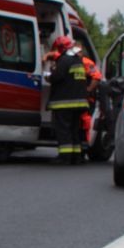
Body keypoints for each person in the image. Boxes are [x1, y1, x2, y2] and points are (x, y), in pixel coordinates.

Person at [46, 36, 91, 164]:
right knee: (74, 129)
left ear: (61, 47)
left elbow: (57, 77)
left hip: (65, 103)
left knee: (63, 129)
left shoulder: (64, 60)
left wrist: (48, 77)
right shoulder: (78, 60)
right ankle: (76, 156)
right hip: (79, 103)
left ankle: (64, 157)